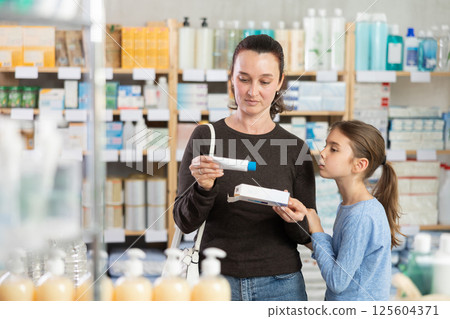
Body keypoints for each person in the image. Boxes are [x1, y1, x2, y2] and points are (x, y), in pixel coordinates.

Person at [173, 34, 316, 301]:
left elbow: (306, 234)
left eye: (265, 81)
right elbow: (184, 222)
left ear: (280, 82)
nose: (252, 92)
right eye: (244, 78)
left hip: (280, 285)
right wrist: (204, 189)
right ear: (231, 77)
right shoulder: (206, 137)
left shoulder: (296, 149)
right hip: (214, 283)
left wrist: (297, 220)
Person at [274, 120, 403, 301]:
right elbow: (338, 256)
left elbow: (337, 280)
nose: (323, 153)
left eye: (333, 149)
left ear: (359, 165)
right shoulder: (350, 206)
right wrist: (304, 221)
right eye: (326, 145)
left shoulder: (362, 215)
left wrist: (317, 229)